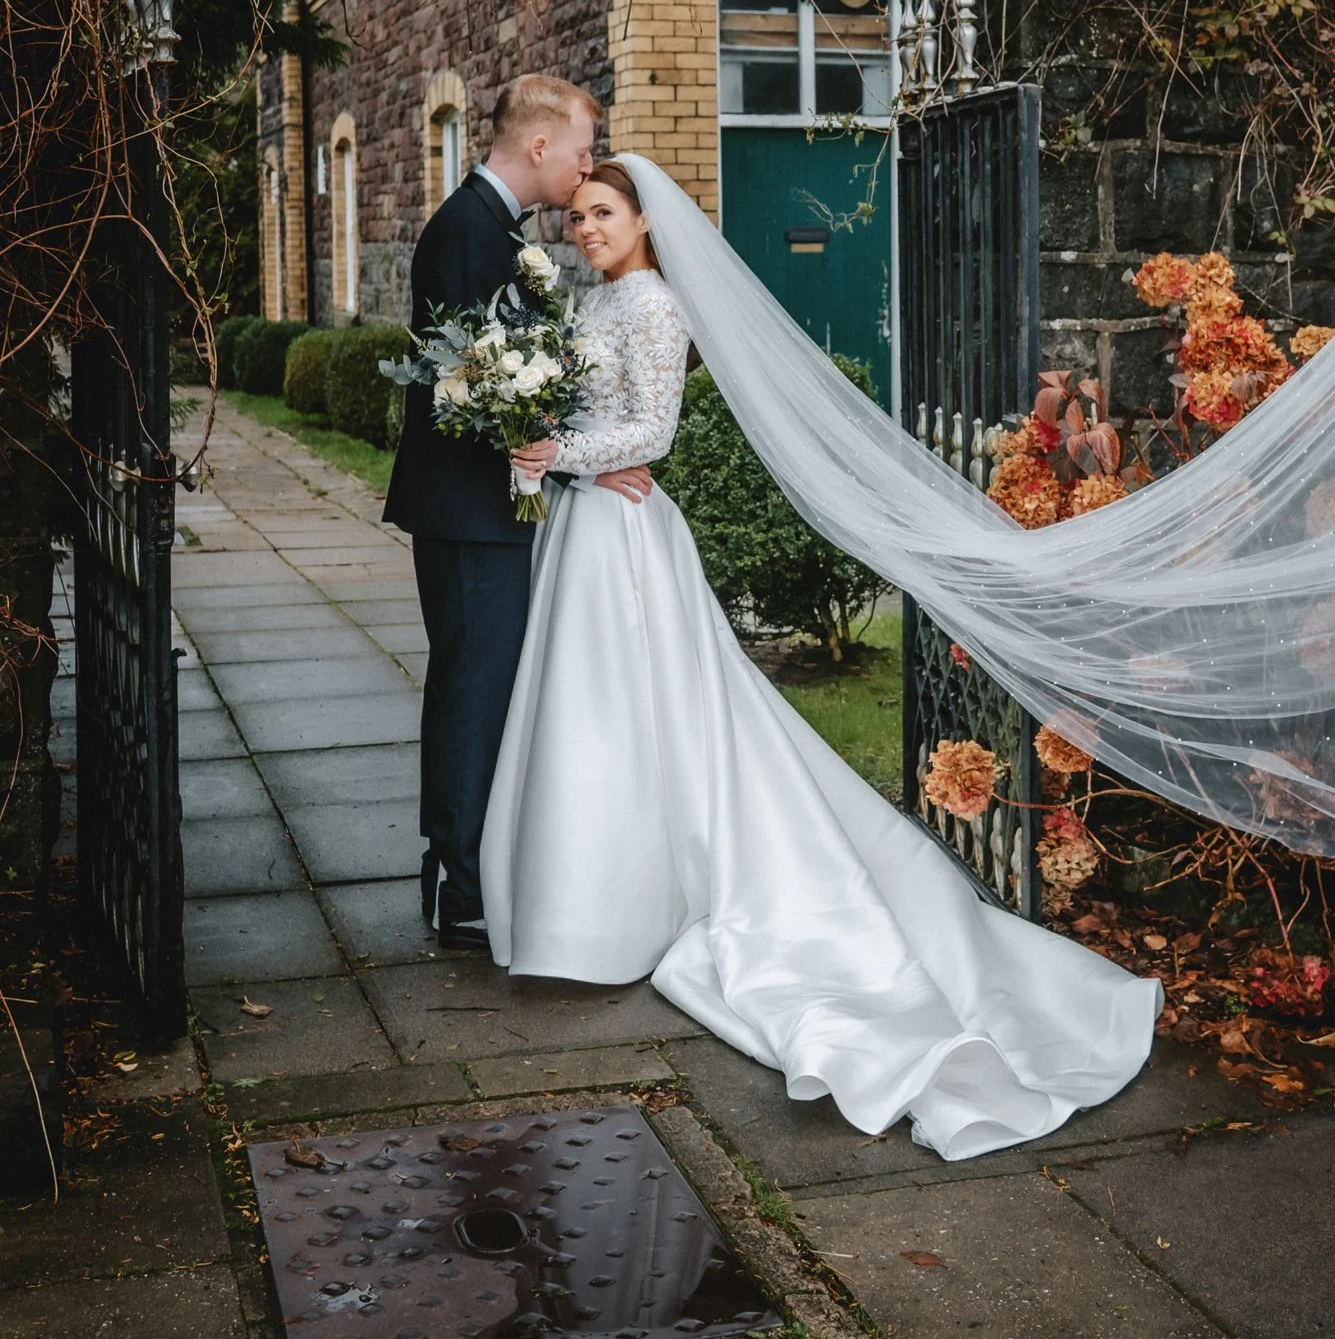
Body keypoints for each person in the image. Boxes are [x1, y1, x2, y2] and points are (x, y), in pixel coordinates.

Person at [481, 158, 1161, 1160]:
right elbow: (594, 421)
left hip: (625, 534)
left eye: (601, 213)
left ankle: (622, 907)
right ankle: (581, 907)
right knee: (592, 718)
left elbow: (654, 431)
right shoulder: (595, 298)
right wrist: (538, 435)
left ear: (644, 222)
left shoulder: (657, 305)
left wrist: (556, 451)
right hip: (588, 527)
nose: (583, 228)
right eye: (576, 214)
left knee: (631, 711)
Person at [383, 74, 645, 949]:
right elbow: (478, 395)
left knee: (480, 686)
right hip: (466, 513)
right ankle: (456, 887)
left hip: (484, 511)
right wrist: (572, 464)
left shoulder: (489, 231)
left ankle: (466, 868)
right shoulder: (466, 235)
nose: (581, 174)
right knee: (470, 688)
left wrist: (572, 460)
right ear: (539, 148)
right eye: (577, 154)